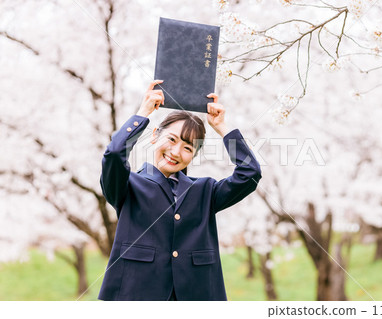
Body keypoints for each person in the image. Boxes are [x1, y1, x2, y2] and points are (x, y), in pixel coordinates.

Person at [98, 80, 262, 301]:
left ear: (194, 155)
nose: (176, 152)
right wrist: (143, 112)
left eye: (187, 148)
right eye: (172, 139)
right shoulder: (127, 186)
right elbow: (114, 154)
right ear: (155, 135)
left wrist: (222, 128)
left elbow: (250, 173)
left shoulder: (206, 191)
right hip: (136, 294)